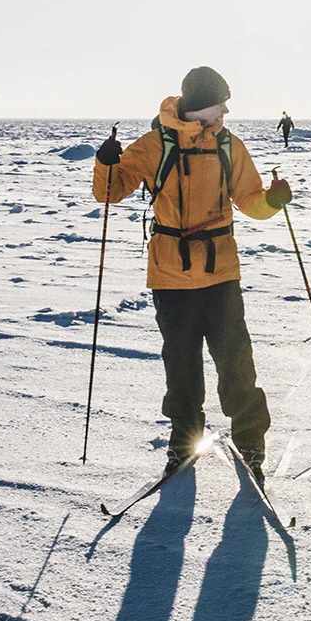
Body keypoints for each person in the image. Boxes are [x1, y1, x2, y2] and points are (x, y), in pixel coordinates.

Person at [93, 66, 293, 483]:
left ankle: (251, 439)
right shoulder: (154, 145)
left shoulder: (228, 146)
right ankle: (184, 439)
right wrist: (106, 163)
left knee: (236, 361)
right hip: (171, 274)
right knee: (181, 365)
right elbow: (110, 193)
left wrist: (272, 201)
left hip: (221, 272)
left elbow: (250, 200)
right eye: (219, 103)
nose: (225, 111)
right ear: (200, 105)